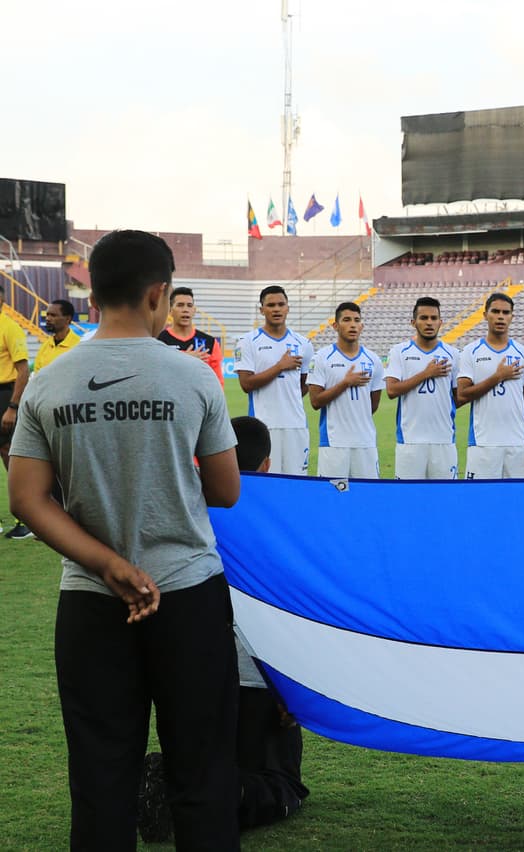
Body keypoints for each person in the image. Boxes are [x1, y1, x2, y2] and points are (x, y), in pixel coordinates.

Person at [6, 229, 242, 849]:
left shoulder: (50, 382)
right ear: (158, 294)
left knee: (102, 773)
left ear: (91, 292)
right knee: (204, 768)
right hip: (187, 592)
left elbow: (27, 499)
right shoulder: (193, 377)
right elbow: (225, 490)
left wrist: (106, 562)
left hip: (91, 600)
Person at [136, 416, 310, 843]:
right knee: (282, 784)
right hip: (257, 681)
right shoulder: (280, 525)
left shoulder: (185, 508)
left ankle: (185, 782)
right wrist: (291, 687)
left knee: (212, 756)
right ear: (267, 466)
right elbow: (287, 615)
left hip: (195, 674)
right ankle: (208, 796)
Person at [457, 292, 524, 479]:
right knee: (481, 503)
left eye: (506, 312)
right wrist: (498, 377)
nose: (501, 317)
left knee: (520, 502)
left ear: (512, 317)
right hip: (483, 444)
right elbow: (462, 395)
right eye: (495, 311)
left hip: (519, 444)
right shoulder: (471, 352)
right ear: (485, 315)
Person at [233, 286, 314, 476]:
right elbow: (246, 384)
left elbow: (304, 384)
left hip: (296, 426)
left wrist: (289, 398)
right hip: (264, 425)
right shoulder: (248, 342)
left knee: (297, 482)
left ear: (288, 308)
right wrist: (279, 366)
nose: (276, 309)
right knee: (267, 481)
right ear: (262, 310)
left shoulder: (304, 344)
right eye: (270, 305)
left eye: (281, 304)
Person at [384, 297, 459, 480]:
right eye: (423, 318)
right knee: (408, 500)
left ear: (441, 322)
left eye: (434, 318)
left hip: (444, 441)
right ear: (413, 322)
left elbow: (459, 397)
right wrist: (426, 373)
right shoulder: (399, 352)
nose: (429, 323)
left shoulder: (453, 354)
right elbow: (392, 391)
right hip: (410, 442)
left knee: (444, 499)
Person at [307, 302, 384, 479]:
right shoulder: (321, 358)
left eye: (357, 320)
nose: (352, 325)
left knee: (365, 497)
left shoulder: (373, 360)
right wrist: (345, 383)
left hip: (365, 443)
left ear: (362, 326)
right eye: (346, 320)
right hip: (333, 443)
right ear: (335, 326)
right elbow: (315, 401)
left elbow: (373, 404)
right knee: (333, 498)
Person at [1, 282, 32, 539]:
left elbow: (23, 370)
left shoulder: (9, 327)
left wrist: (12, 407)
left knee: (9, 453)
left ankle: (26, 518)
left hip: (4, 394)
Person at [158, 286, 224, 386]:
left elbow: (217, 383)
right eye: (180, 305)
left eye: (189, 305)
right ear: (170, 310)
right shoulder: (159, 341)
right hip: (169, 400)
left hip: (199, 400)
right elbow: (156, 373)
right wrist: (185, 358)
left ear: (194, 310)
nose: (185, 309)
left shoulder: (210, 343)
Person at [33, 299, 82, 373]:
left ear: (68, 319)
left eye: (53, 315)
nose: (48, 319)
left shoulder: (79, 346)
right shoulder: (45, 346)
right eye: (47, 315)